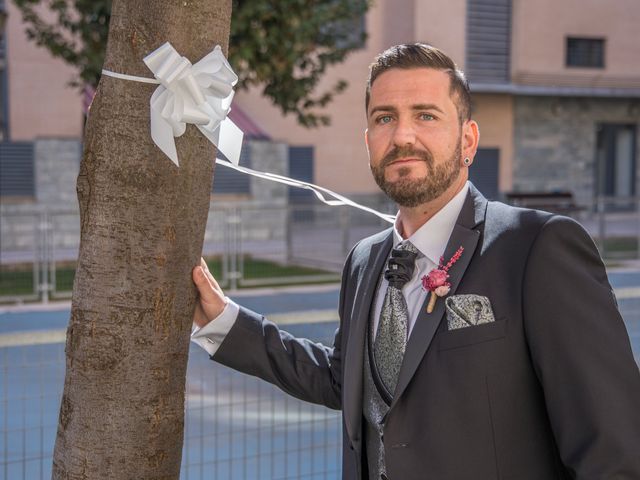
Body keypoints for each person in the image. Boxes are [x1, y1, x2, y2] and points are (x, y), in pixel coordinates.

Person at [190, 44, 640, 480]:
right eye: (385, 118)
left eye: (425, 115)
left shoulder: (537, 247)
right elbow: (343, 380)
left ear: (468, 138)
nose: (402, 135)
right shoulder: (363, 260)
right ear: (369, 142)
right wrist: (225, 322)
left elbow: (614, 449)